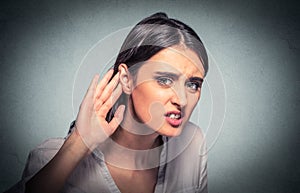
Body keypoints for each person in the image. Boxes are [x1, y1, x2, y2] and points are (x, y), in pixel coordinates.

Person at [6, 12, 209, 193]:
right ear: (126, 79)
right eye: (164, 80)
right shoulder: (49, 160)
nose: (182, 100)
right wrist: (78, 144)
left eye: (193, 84)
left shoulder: (191, 144)